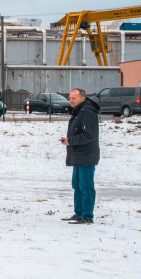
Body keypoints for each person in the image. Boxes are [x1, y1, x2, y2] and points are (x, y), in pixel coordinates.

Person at [61, 88, 100, 225]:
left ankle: (87, 216)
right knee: (77, 185)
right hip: (78, 154)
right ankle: (79, 213)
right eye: (70, 98)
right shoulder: (78, 111)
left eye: (73, 98)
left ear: (82, 99)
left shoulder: (88, 112)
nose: (70, 100)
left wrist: (71, 141)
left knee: (86, 187)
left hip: (86, 155)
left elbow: (90, 135)